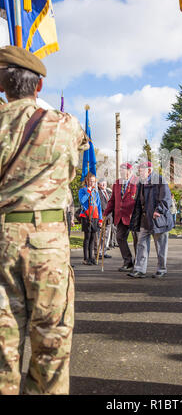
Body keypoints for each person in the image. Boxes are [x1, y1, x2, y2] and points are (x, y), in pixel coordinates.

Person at [0, 46, 89, 395]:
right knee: (50, 343)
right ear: (38, 87)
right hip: (46, 243)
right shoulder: (64, 125)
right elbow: (81, 148)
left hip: (1, 237)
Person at [128, 162, 173, 278]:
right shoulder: (141, 183)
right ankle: (139, 269)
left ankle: (161, 269)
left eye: (141, 170)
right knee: (141, 244)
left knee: (161, 245)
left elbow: (166, 198)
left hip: (158, 219)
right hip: (145, 218)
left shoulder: (159, 180)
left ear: (148, 171)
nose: (139, 172)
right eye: (139, 170)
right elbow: (138, 201)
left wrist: (159, 210)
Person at [104, 163, 138, 272]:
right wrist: (105, 213)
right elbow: (112, 200)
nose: (122, 174)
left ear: (130, 171)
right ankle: (128, 262)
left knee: (137, 240)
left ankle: (138, 265)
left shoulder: (137, 182)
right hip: (121, 216)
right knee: (119, 237)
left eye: (124, 172)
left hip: (134, 216)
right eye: (121, 172)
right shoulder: (117, 183)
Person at [79, 173, 102, 265]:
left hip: (95, 216)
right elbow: (82, 200)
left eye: (93, 181)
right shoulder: (82, 191)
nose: (92, 183)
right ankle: (86, 258)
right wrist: (88, 192)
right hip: (86, 216)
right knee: (87, 237)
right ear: (86, 181)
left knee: (93, 237)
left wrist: (100, 219)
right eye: (90, 181)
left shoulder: (95, 192)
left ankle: (91, 257)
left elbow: (99, 206)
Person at [94, 179, 112, 259]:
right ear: (98, 185)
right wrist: (99, 218)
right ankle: (99, 252)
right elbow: (98, 206)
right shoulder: (97, 193)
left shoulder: (109, 193)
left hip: (109, 217)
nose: (104, 185)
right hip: (101, 216)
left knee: (106, 236)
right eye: (102, 184)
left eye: (104, 183)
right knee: (100, 236)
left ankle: (104, 251)